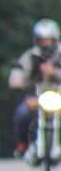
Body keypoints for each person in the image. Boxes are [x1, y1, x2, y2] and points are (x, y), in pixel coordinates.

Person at [9, 19, 61, 159]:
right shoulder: (30, 55)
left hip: (58, 94)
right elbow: (19, 70)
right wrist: (17, 81)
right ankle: (23, 145)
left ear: (55, 39)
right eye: (42, 40)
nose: (45, 43)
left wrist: (54, 73)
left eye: (48, 40)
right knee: (22, 115)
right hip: (36, 96)